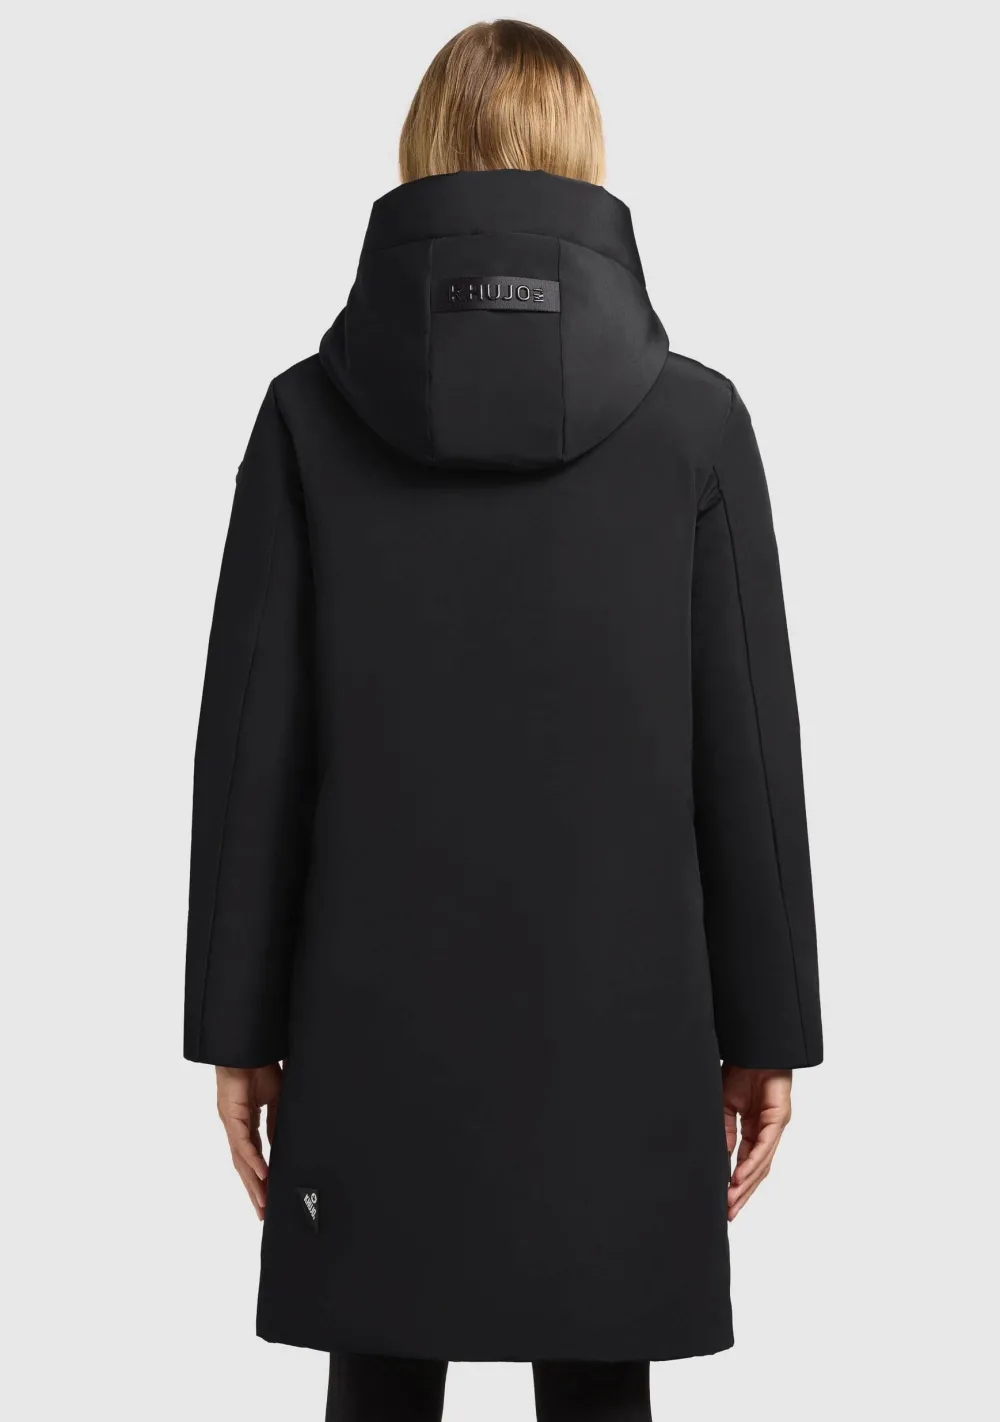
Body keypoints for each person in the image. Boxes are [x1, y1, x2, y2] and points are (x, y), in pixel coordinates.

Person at [184, 18, 823, 1421]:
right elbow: (747, 755)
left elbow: (253, 756)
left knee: (379, 1362)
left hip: (365, 1030)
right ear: (588, 162)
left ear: (419, 160)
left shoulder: (306, 419)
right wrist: (767, 1028)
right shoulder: (696, 426)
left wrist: (236, 1026)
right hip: (628, 1037)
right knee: (601, 1369)